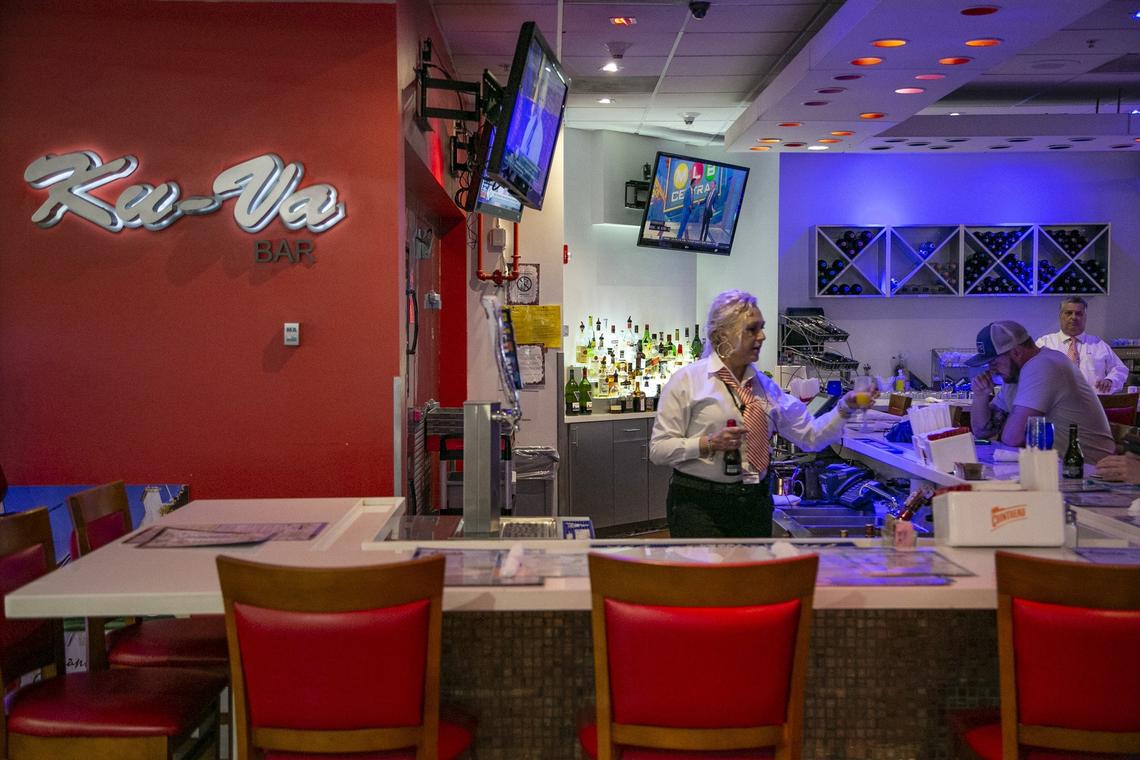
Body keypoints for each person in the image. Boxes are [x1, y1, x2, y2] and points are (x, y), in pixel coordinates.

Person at [649, 290, 867, 538]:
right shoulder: (687, 381)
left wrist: (844, 408)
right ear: (722, 334)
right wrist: (708, 443)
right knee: (709, 566)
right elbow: (659, 449)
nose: (762, 336)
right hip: (698, 506)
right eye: (751, 329)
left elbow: (811, 437)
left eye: (761, 328)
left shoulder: (765, 388)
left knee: (752, 566)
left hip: (754, 505)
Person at [966, 320, 1114, 463]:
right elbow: (982, 432)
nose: (991, 370)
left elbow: (1012, 438)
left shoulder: (1043, 364)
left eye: (994, 362)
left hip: (1088, 468)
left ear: (1016, 352)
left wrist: (1007, 426)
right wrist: (980, 396)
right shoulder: (1014, 375)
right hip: (1058, 465)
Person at [1035, 296, 1128, 393]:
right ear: (1060, 316)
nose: (1074, 317)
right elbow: (1031, 371)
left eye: (1079, 314)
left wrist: (1110, 380)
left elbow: (1119, 369)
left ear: (1085, 318)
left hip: (1093, 400)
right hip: (1054, 400)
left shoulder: (1098, 344)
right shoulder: (1044, 344)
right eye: (1068, 313)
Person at [675, 176, 698, 241]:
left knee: (684, 225)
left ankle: (680, 236)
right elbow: (685, 201)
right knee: (682, 224)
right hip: (685, 211)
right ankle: (678, 237)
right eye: (695, 183)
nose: (696, 184)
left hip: (689, 211)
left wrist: (693, 206)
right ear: (692, 183)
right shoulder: (688, 191)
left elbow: (691, 201)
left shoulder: (693, 191)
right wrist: (689, 206)